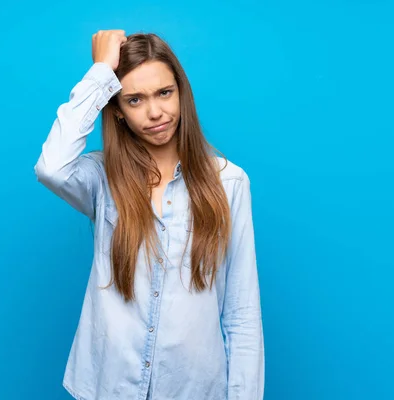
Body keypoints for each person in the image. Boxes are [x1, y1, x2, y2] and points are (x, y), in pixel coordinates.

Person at [34, 29, 264, 400]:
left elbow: (241, 313)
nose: (155, 112)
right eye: (135, 99)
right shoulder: (102, 178)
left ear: (181, 93)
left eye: (164, 93)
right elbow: (51, 167)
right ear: (118, 111)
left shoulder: (230, 183)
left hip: (194, 390)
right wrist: (100, 73)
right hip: (107, 387)